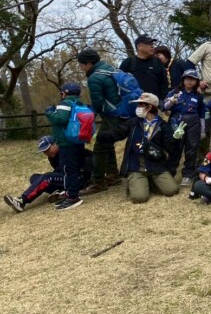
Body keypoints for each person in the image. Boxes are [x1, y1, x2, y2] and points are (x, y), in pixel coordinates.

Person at [77, 47, 126, 194]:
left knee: (99, 147)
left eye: (81, 64)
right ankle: (112, 174)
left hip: (112, 115)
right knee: (107, 143)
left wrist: (91, 113)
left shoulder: (94, 78)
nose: (81, 68)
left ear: (89, 63)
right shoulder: (111, 68)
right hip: (125, 111)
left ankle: (98, 182)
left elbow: (97, 102)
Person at [4, 136, 93, 213]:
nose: (46, 153)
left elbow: (90, 157)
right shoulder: (52, 157)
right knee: (34, 177)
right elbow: (60, 170)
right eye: (44, 151)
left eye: (47, 149)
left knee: (47, 177)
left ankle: (22, 200)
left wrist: (89, 175)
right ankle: (60, 191)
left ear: (55, 144)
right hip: (66, 178)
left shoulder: (66, 151)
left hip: (77, 178)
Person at [119, 93, 180, 203]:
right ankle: (136, 183)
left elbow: (171, 149)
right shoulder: (134, 122)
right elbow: (117, 132)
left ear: (149, 107)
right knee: (139, 197)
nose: (138, 107)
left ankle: (150, 183)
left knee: (172, 190)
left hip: (156, 166)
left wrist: (176, 139)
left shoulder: (163, 125)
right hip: (137, 166)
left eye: (141, 105)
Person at [40, 82, 93, 210]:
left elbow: (60, 119)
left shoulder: (65, 103)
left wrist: (49, 112)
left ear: (64, 93)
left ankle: (72, 197)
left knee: (69, 170)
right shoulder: (79, 103)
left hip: (66, 142)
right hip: (78, 140)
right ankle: (70, 194)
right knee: (73, 168)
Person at [163, 69, 206, 186]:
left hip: (194, 123)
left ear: (197, 81)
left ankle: (188, 175)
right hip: (176, 121)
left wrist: (202, 130)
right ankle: (170, 173)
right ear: (183, 80)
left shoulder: (199, 96)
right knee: (175, 147)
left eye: (193, 79)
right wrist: (171, 101)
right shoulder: (175, 92)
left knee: (191, 149)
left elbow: (202, 114)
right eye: (187, 79)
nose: (189, 81)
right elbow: (164, 108)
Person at [120, 35, 168, 100]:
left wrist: (161, 101)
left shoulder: (157, 63)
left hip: (153, 103)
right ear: (139, 46)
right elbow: (119, 84)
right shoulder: (128, 63)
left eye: (152, 44)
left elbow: (164, 84)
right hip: (133, 103)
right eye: (149, 44)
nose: (152, 46)